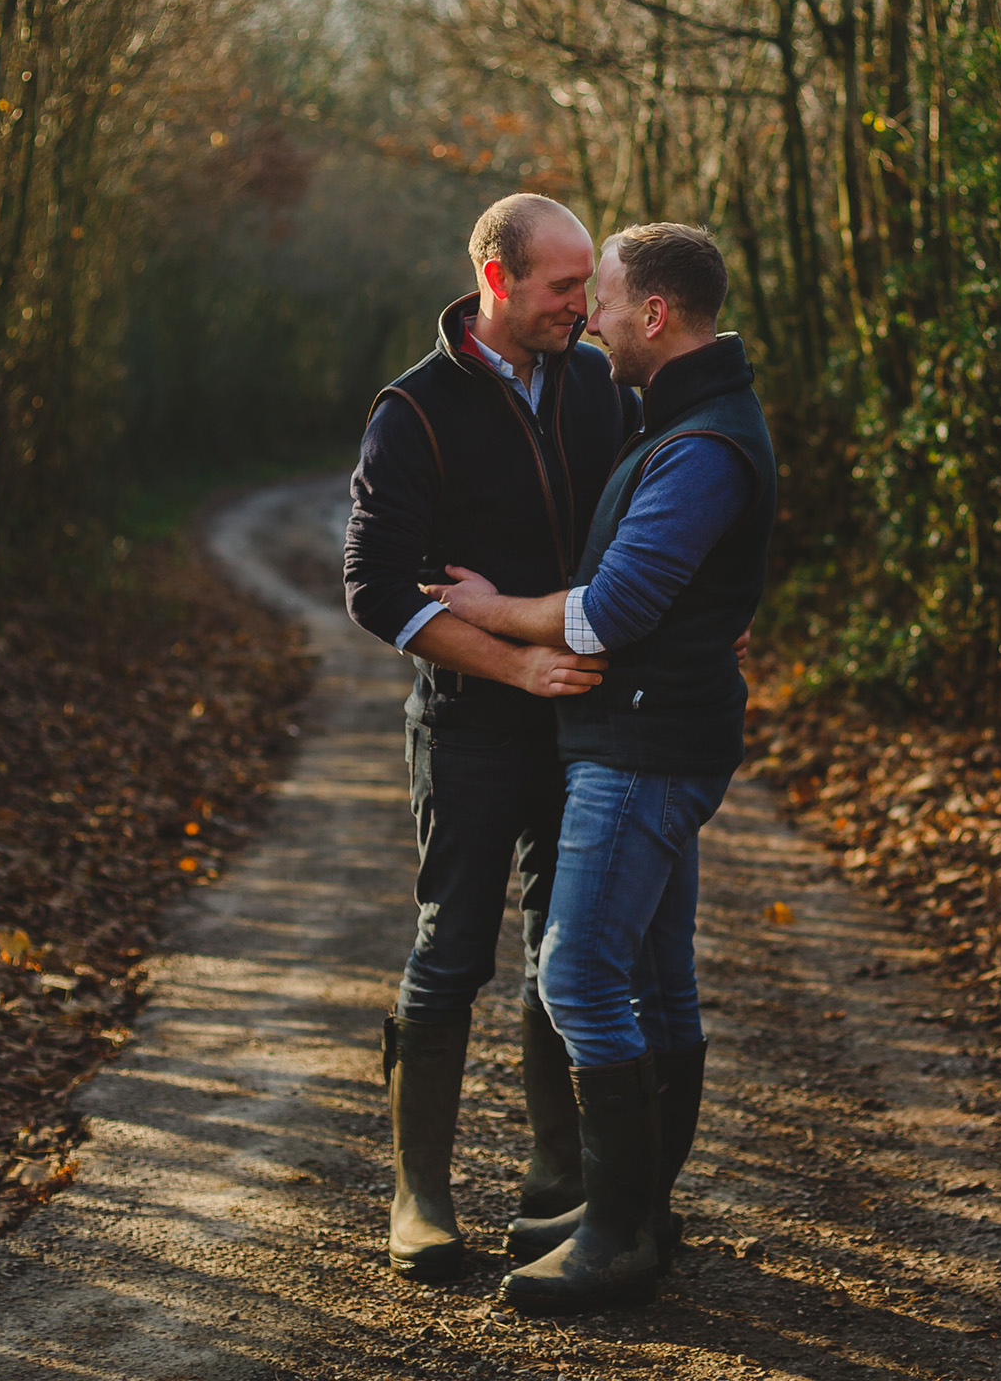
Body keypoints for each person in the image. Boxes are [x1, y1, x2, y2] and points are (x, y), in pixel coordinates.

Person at [418, 222, 776, 1314]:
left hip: (643, 742)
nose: (592, 318)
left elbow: (613, 609)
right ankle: (639, 1205)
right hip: (653, 729)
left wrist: (491, 614)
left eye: (607, 299)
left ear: (655, 314)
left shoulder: (702, 442)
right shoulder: (681, 421)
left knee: (573, 973)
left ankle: (618, 1233)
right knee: (656, 980)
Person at [341, 194, 640, 1283]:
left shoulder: (602, 386)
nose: (585, 305)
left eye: (586, 285)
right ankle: (418, 1194)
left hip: (590, 726)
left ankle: (557, 1183)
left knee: (568, 953)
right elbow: (373, 589)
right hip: (470, 725)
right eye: (565, 287)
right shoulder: (412, 412)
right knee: (451, 949)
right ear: (497, 277)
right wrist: (514, 660)